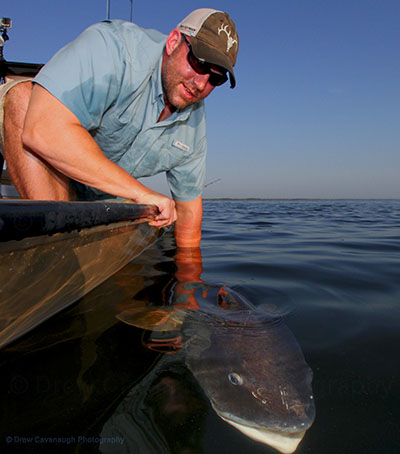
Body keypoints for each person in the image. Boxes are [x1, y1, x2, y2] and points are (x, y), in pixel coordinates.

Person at [0, 8, 239, 247]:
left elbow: (189, 214)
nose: (201, 84)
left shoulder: (196, 122)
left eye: (216, 78)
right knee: (22, 97)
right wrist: (139, 192)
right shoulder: (114, 48)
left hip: (108, 200)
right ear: (174, 42)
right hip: (51, 176)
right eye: (198, 63)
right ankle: (54, 247)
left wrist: (191, 282)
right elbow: (42, 128)